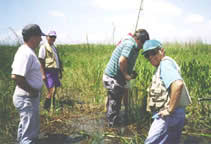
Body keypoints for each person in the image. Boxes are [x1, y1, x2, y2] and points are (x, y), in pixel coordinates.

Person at [142, 40, 192, 144]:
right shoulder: (163, 65)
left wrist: (169, 110)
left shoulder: (165, 64)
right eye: (147, 55)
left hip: (168, 116)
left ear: (162, 51)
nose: (151, 57)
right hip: (175, 114)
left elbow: (178, 84)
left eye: (153, 52)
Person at [102, 29, 150, 127]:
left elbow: (125, 62)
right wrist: (126, 75)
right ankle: (112, 127)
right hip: (113, 78)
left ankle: (109, 121)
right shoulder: (130, 45)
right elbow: (122, 61)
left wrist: (130, 72)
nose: (142, 47)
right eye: (143, 44)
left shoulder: (131, 44)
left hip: (111, 76)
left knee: (113, 102)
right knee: (115, 103)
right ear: (139, 40)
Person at [11, 24, 45, 144]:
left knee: (26, 127)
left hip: (29, 97)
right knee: (28, 134)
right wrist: (32, 91)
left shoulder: (27, 51)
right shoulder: (26, 53)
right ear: (33, 37)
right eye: (39, 36)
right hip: (27, 98)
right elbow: (16, 76)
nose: (41, 39)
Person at [38, 30, 63, 111]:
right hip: (48, 71)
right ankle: (46, 108)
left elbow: (57, 60)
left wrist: (60, 72)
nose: (53, 38)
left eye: (54, 37)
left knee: (55, 89)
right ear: (47, 37)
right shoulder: (43, 47)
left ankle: (51, 106)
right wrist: (43, 74)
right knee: (51, 90)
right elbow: (41, 60)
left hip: (55, 71)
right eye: (51, 36)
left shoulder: (54, 47)